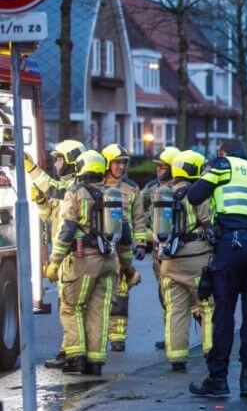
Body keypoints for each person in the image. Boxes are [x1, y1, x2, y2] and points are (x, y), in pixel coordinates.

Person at [186, 139, 247, 398]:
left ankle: (218, 379)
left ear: (223, 152)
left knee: (224, 314)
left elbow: (194, 195)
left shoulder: (223, 165)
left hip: (233, 243)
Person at [44, 150, 136, 375]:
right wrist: (126, 267)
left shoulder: (75, 193)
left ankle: (75, 357)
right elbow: (125, 234)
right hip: (108, 262)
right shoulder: (114, 195)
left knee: (71, 307)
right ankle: (95, 362)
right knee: (99, 311)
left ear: (81, 168)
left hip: (82, 260)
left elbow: (66, 229)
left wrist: (55, 261)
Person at [23, 140, 86, 369]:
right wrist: (41, 203)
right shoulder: (67, 187)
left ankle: (72, 353)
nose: (56, 164)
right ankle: (70, 351)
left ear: (71, 162)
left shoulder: (76, 187)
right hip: (67, 257)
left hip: (74, 257)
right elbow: (53, 217)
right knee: (68, 306)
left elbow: (52, 188)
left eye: (59, 159)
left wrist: (32, 169)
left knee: (70, 307)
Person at [157, 150, 213, 372]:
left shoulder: (165, 195)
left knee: (176, 310)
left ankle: (177, 358)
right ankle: (212, 352)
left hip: (169, 262)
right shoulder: (198, 194)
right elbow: (209, 225)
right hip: (197, 259)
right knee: (208, 306)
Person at [100, 144, 146, 351]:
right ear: (107, 163)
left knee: (121, 292)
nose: (120, 167)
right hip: (100, 247)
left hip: (122, 248)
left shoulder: (132, 188)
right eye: (117, 162)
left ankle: (117, 337)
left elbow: (139, 218)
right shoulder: (96, 184)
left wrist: (142, 243)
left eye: (123, 163)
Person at [142, 146, 180, 351]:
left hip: (179, 251)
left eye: (163, 167)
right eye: (157, 167)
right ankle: (170, 336)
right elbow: (137, 209)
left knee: (188, 299)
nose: (158, 170)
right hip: (158, 251)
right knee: (164, 296)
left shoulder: (181, 189)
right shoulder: (150, 188)